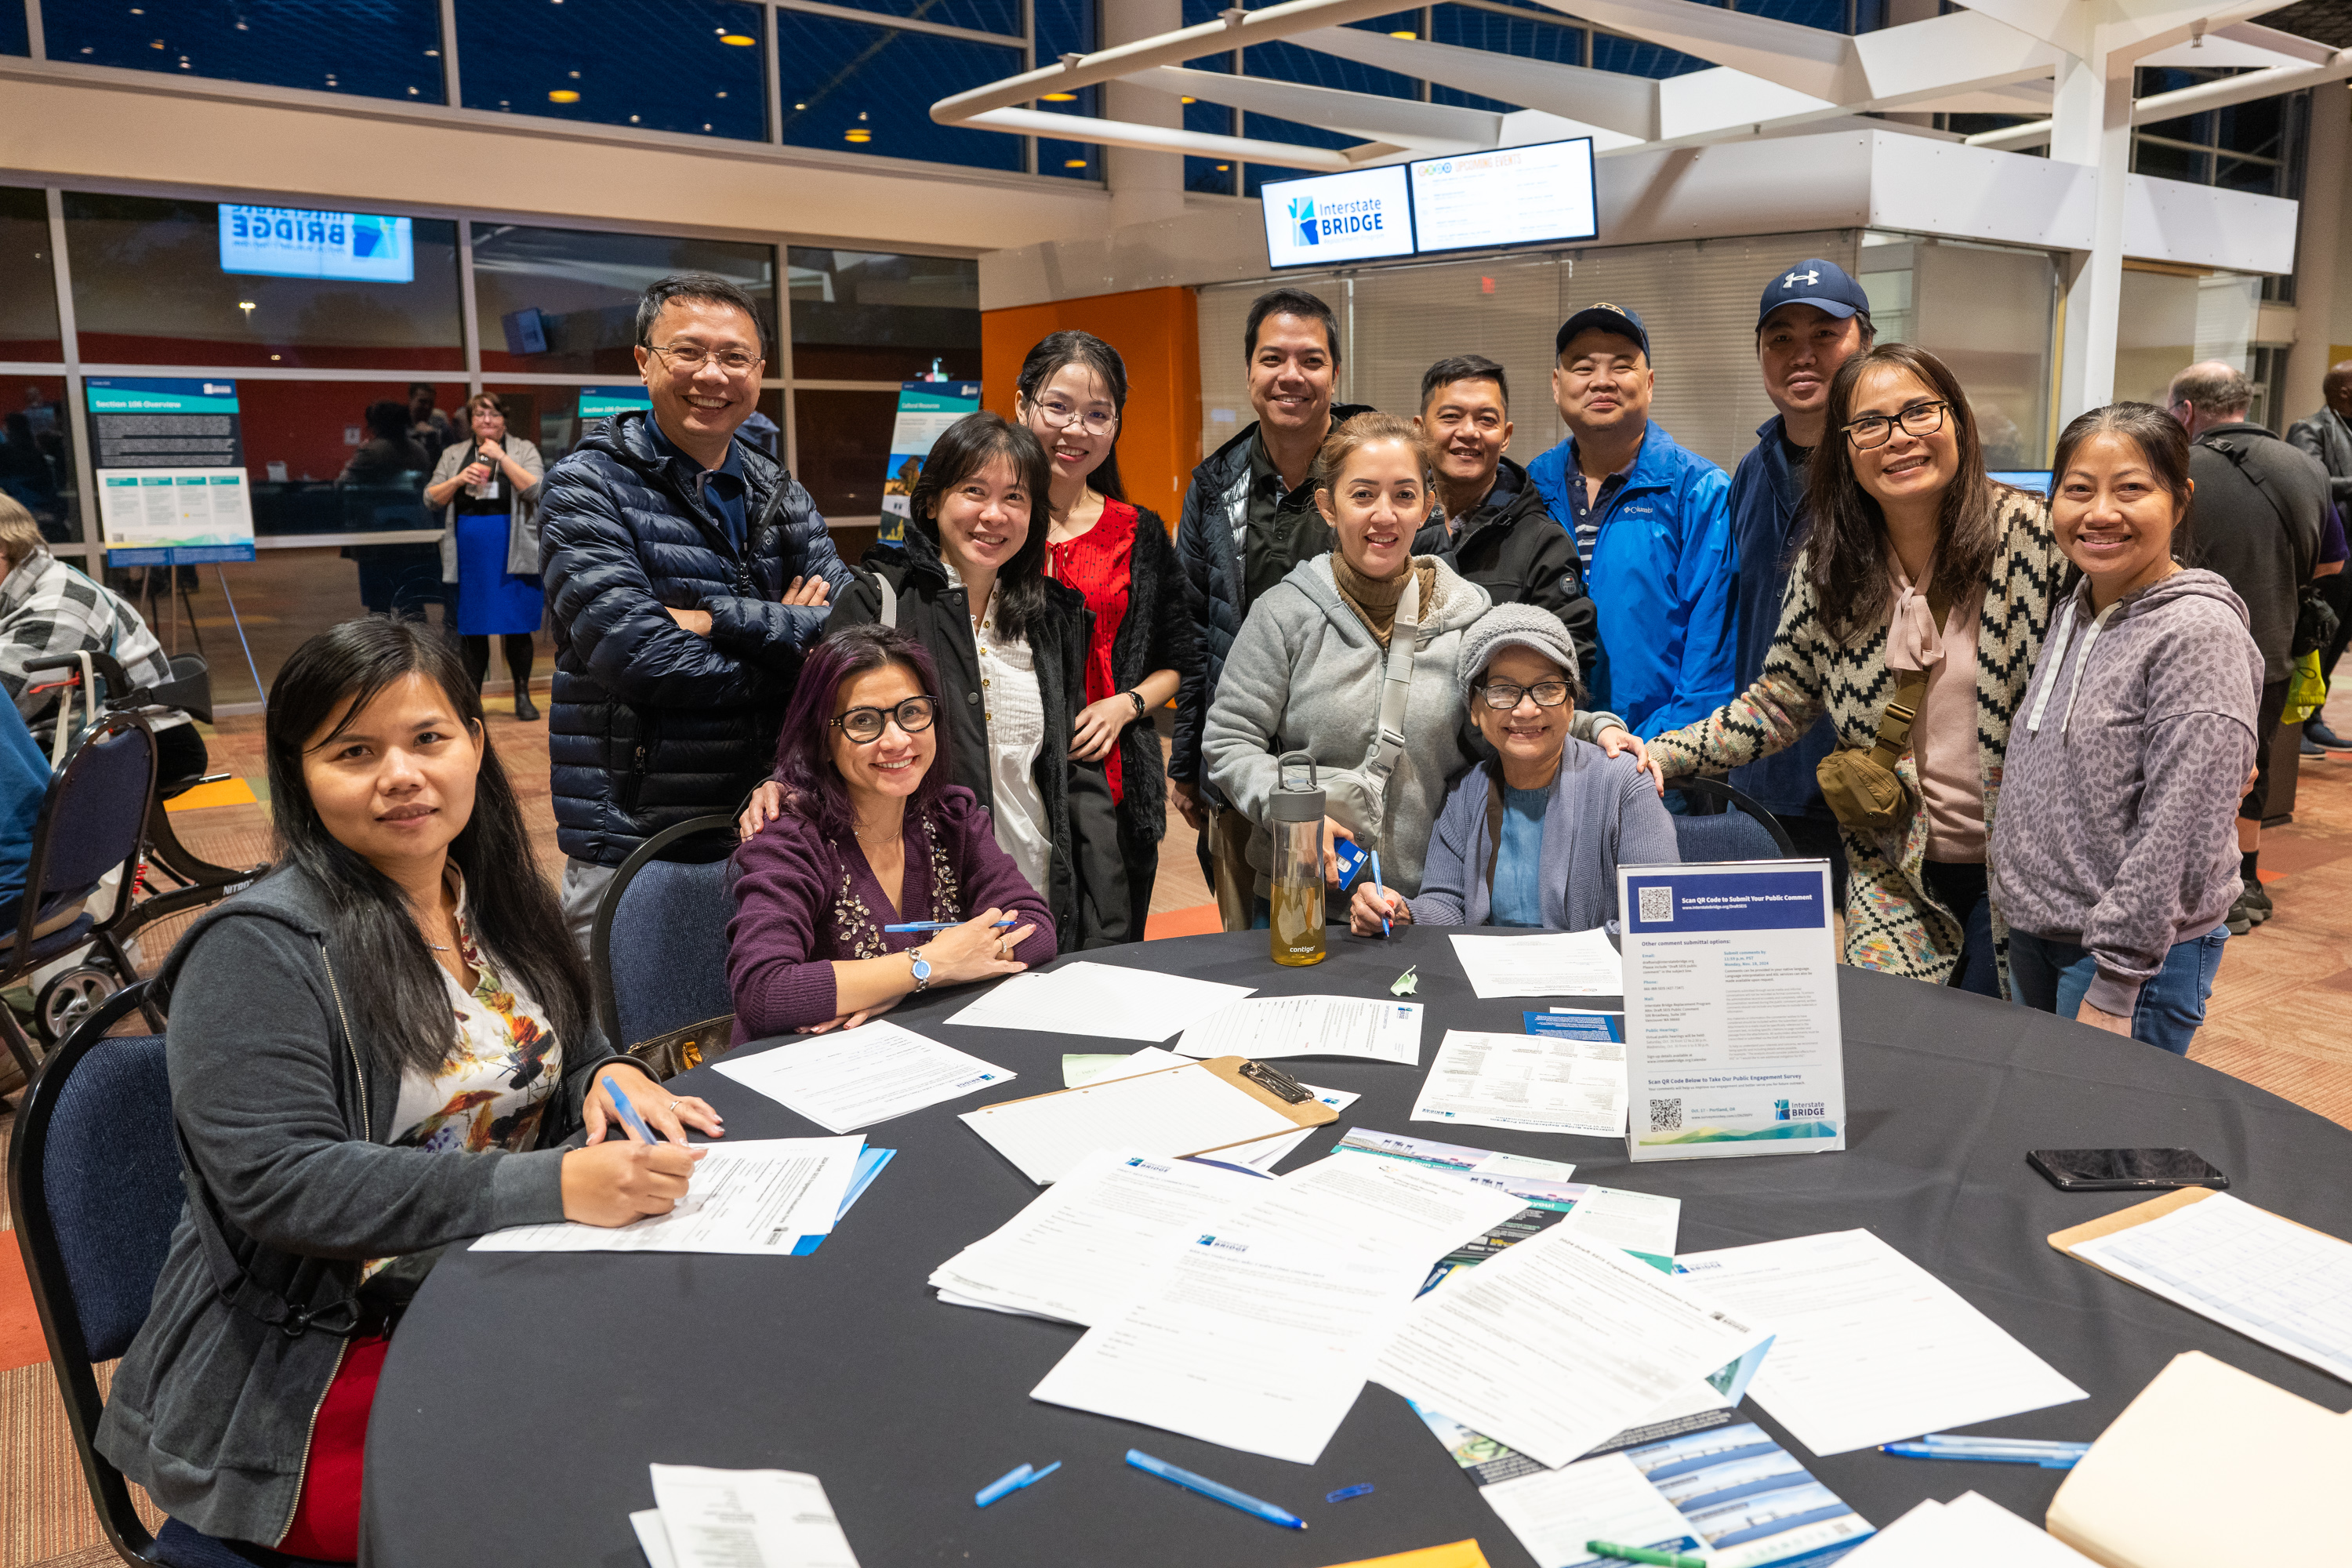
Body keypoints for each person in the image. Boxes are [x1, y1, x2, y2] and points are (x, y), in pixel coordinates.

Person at [92, 617, 717, 1563]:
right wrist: (549, 1186)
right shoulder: (258, 948)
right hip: (313, 1360)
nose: (401, 773)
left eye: (428, 738)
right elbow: (279, 1183)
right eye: (354, 750)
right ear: (299, 771)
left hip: (495, 1289)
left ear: (474, 741)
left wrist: (607, 1066)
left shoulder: (489, 893)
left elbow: (555, 1040)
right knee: (603, 1504)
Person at [1646, 344, 2071, 995]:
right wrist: (1658, 755)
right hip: (1890, 867)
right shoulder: (1830, 565)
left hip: (2023, 870)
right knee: (1893, 1044)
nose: (1898, 439)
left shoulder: (2037, 542)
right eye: (1870, 424)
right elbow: (1778, 703)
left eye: (1919, 413)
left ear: (1957, 419)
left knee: (1997, 1058)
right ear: (1844, 447)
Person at [1206, 415, 1648, 909]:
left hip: (1428, 902)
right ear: (1328, 507)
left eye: (1403, 495)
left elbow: (1510, 707)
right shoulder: (1283, 613)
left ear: (1427, 507)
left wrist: (1596, 729)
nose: (1384, 515)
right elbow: (1229, 739)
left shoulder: (1468, 615)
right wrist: (1287, 809)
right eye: (1362, 495)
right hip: (1304, 896)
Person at [539, 271, 851, 950]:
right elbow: (642, 658)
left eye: (734, 357)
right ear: (644, 361)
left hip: (773, 819)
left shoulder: (777, 490)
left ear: (760, 372)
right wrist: (792, 652)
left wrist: (714, 618)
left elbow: (854, 633)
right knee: (632, 1043)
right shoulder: (586, 486)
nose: (712, 374)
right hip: (636, 837)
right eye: (688, 352)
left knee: (767, 1030)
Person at [1991, 405, 2261, 1054]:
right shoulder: (2078, 609)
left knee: (2108, 1147)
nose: (2100, 512)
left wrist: (2118, 979)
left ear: (2179, 499)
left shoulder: (2197, 632)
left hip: (2130, 961)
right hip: (2041, 936)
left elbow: (2181, 825)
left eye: (2131, 489)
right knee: (2045, 1135)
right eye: (2078, 490)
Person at [821, 412, 1123, 948]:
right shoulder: (878, 604)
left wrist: (1108, 923)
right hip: (922, 910)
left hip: (1039, 901)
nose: (993, 514)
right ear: (933, 502)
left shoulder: (1052, 620)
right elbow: (826, 748)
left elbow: (1077, 781)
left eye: (1015, 497)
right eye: (974, 491)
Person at [728, 625, 1055, 1039]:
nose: (897, 740)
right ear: (822, 739)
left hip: (924, 1053)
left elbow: (1035, 927)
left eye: (913, 712)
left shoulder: (951, 816)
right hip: (806, 1075)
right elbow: (763, 993)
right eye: (863, 721)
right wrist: (927, 965)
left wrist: (910, 981)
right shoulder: (789, 837)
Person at [1172, 285, 1373, 929]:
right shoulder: (1213, 487)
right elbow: (1195, 631)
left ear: (1335, 373)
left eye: (1311, 360)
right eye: (1273, 359)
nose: (1292, 376)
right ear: (1250, 371)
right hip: (1244, 771)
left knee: (1369, 957)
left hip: (1356, 773)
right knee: (1259, 954)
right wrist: (1187, 764)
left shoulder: (1374, 477)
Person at [1014, 329, 1203, 936]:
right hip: (1013, 785)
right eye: (1059, 407)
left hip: (1118, 783)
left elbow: (1181, 655)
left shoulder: (1138, 531)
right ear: (1023, 406)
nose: (1077, 429)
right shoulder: (994, 524)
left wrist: (1127, 705)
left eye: (1098, 415)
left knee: (1116, 958)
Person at [1352, 603, 1677, 935]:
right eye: (1503, 690)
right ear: (1475, 709)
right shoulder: (1463, 794)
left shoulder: (1625, 783)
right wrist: (1402, 911)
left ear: (1570, 705)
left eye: (1547, 688)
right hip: (1490, 979)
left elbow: (1659, 910)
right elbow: (1447, 903)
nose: (1526, 709)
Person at [2167, 360, 2335, 932]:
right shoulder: (2307, 467)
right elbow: (2333, 560)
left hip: (2187, 650)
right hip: (2274, 645)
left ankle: (2192, 894)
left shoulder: (2177, 467)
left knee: (2186, 775)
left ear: (2186, 410)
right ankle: (2247, 886)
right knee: (2251, 768)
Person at [1730, 261, 1875, 892]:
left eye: (1825, 334)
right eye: (1781, 339)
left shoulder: (1890, 471)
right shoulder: (1751, 469)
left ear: (1865, 343)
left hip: (1862, 789)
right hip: (1757, 780)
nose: (1802, 355)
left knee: (1864, 985)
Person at [1526, 303, 1737, 739]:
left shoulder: (1699, 492)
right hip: (1543, 752)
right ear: (1556, 384)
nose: (1602, 381)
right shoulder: (1531, 487)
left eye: (1622, 366)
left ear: (1650, 383)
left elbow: (1711, 661)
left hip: (1660, 766)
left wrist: (1653, 752)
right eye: (1583, 367)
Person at [0, 495, 208, 789]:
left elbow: (7, 702)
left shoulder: (60, 609)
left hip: (143, 744)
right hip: (92, 731)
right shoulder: (30, 584)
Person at [1406, 353, 1596, 673]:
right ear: (1420, 430)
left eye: (1486, 420)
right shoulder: (1390, 523)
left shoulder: (1541, 541)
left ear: (1506, 436)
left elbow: (1568, 652)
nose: (1469, 432)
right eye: (1451, 417)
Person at [426, 392, 546, 720]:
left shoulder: (522, 449)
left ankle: (522, 695)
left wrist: (501, 458)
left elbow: (537, 490)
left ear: (504, 419)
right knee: (472, 628)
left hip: (513, 547)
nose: (487, 421)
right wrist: (457, 479)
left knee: (518, 626)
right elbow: (431, 498)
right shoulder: (454, 454)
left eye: (493, 415)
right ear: (471, 421)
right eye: (479, 416)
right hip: (471, 551)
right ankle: (472, 702)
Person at [2287, 359, 2352, 749]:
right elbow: (2311, 479)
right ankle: (2294, 723)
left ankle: (2315, 715)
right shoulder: (2310, 429)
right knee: (2315, 636)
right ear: (2344, 391)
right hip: (2332, 551)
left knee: (2341, 637)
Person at [339, 400, 441, 623]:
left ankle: (385, 652)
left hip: (378, 539)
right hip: (415, 536)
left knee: (380, 605)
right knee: (412, 602)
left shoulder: (372, 451)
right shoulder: (418, 450)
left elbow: (342, 484)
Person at [407, 381, 451, 460]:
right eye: (422, 402)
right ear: (411, 399)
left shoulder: (440, 425)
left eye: (431, 403)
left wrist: (432, 438)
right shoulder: (399, 424)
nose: (427, 407)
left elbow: (451, 457)